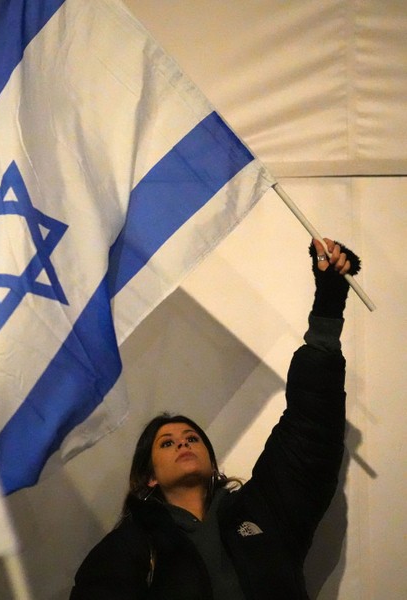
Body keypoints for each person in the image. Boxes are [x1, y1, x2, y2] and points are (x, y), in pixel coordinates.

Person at [70, 238, 361, 599]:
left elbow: (310, 430)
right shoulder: (129, 549)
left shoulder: (264, 510)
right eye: (167, 443)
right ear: (149, 477)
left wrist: (329, 303)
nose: (183, 443)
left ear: (211, 461)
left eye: (192, 438)